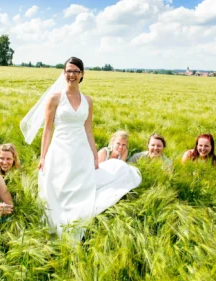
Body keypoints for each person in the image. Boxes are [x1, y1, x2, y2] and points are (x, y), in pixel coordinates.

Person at [20, 57, 142, 239]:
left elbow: (88, 130)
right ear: (63, 73)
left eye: (76, 71)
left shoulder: (88, 101)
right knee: (59, 186)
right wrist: (43, 156)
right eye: (68, 71)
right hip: (60, 149)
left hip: (81, 150)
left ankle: (75, 222)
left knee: (79, 188)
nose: (72, 75)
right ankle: (56, 225)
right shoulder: (54, 98)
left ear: (82, 74)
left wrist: (94, 155)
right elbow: (47, 129)